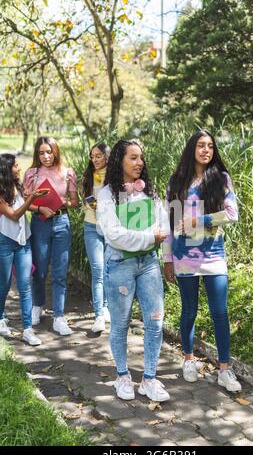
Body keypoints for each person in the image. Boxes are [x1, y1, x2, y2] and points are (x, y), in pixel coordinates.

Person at [163, 130, 242, 392]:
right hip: (184, 257)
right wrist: (168, 259)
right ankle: (188, 360)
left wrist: (200, 221)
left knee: (220, 312)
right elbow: (169, 224)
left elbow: (231, 214)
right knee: (189, 311)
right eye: (200, 145)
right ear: (191, 149)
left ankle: (224, 369)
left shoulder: (221, 179)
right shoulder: (177, 182)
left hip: (213, 257)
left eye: (210, 146)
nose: (206, 150)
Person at [98, 139, 170, 402]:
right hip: (119, 266)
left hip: (149, 264)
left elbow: (163, 224)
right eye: (133, 158)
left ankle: (149, 379)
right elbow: (114, 235)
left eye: (141, 158)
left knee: (155, 321)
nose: (139, 163)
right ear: (120, 161)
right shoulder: (106, 195)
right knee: (120, 324)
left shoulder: (148, 190)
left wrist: (155, 242)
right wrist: (150, 237)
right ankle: (122, 376)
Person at [23, 137, 79, 336]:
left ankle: (59, 317)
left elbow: (75, 202)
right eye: (41, 153)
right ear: (37, 154)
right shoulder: (32, 174)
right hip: (40, 223)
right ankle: (37, 306)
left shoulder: (68, 173)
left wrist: (63, 203)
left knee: (60, 272)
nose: (46, 156)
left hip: (62, 223)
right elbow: (25, 203)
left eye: (49, 152)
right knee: (39, 270)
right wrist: (40, 207)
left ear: (56, 151)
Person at [0, 154, 48, 345]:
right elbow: (13, 215)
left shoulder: (18, 186)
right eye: (15, 165)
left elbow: (24, 207)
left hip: (23, 241)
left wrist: (35, 201)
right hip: (5, 241)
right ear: (6, 169)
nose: (19, 167)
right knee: (4, 284)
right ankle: (1, 318)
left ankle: (28, 329)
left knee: (25, 285)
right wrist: (31, 200)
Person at [82, 142, 110, 333]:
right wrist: (96, 206)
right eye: (92, 156)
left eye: (98, 155)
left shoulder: (115, 176)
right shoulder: (88, 177)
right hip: (91, 226)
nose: (95, 159)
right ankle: (99, 314)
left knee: (109, 268)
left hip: (111, 229)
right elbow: (86, 199)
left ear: (107, 156)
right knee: (98, 269)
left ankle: (107, 306)